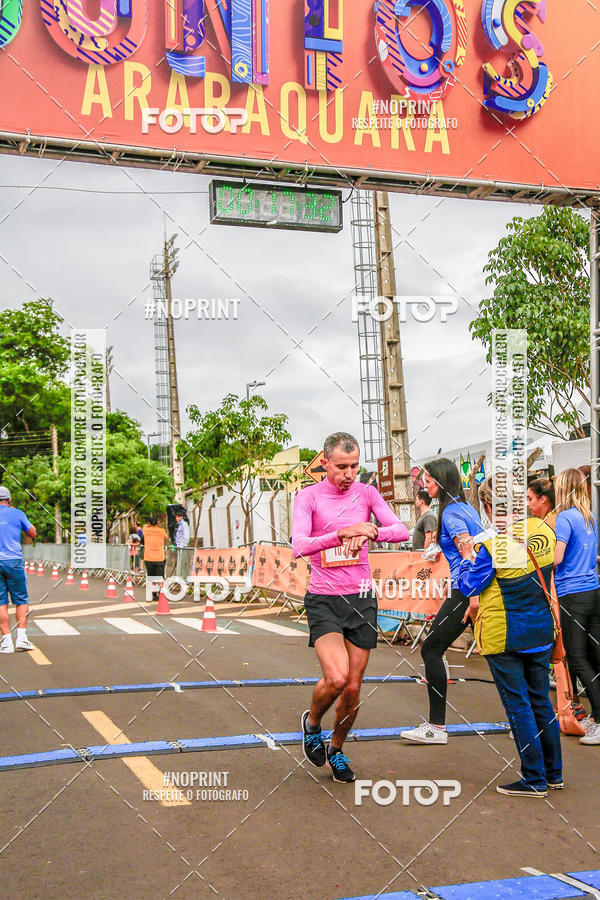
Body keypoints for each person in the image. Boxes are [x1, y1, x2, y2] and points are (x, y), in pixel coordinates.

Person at [292, 432, 410, 783]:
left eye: (355, 465)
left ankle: (337, 749)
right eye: (342, 466)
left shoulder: (367, 493)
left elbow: (401, 529)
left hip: (360, 596)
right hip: (324, 598)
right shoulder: (308, 497)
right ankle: (312, 723)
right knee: (338, 678)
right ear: (325, 463)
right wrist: (342, 533)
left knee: (354, 687)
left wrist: (372, 531)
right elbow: (299, 544)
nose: (349, 473)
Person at [455, 475, 563, 797]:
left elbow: (469, 584)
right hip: (541, 630)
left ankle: (533, 778)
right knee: (541, 700)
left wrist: (465, 557)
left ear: (490, 507)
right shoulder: (544, 530)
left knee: (519, 705)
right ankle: (553, 773)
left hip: (505, 635)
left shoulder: (492, 546)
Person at [401, 457, 483, 745]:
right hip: (475, 588)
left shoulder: (449, 514)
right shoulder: (464, 508)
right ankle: (524, 723)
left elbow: (470, 553)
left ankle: (436, 727)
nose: (425, 483)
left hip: (466, 589)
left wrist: (472, 597)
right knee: (501, 658)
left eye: (429, 478)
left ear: (442, 480)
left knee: (431, 650)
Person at [553, 468, 600, 746]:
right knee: (593, 655)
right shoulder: (588, 517)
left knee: (578, 656)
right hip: (593, 590)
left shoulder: (563, 518)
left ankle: (599, 719)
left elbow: (557, 557)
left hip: (572, 593)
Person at [0, 486, 36, 653]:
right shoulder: (17, 513)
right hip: (14, 560)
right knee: (21, 599)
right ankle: (21, 638)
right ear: (9, 500)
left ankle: (6, 642)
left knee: (1, 602)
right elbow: (33, 533)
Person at [142, 515, 169, 602]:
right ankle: (162, 592)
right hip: (159, 557)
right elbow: (166, 537)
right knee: (160, 577)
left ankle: (154, 594)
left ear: (149, 523)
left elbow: (144, 526)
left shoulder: (146, 530)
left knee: (151, 576)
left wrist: (147, 525)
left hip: (149, 557)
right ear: (157, 523)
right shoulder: (162, 531)